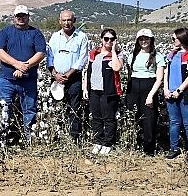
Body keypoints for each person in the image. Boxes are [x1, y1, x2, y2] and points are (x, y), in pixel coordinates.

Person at [0, 5, 46, 143]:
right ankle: (2, 139)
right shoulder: (5, 32)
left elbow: (41, 53)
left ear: (28, 17)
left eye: (23, 16)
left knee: (29, 110)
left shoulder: (36, 33)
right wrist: (16, 64)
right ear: (14, 18)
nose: (21, 18)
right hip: (7, 79)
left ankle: (29, 139)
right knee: (4, 109)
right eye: (18, 16)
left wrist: (25, 67)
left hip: (28, 79)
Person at [46, 10, 89, 142]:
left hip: (74, 78)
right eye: (64, 20)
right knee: (57, 107)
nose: (66, 23)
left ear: (74, 20)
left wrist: (68, 74)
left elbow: (82, 59)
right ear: (60, 21)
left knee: (74, 107)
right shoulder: (54, 37)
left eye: (69, 20)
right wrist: (55, 74)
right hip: (56, 79)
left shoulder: (82, 37)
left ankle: (74, 138)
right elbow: (50, 57)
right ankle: (57, 136)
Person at [163, 27, 188, 162]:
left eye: (174, 38)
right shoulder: (172, 54)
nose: (173, 40)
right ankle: (174, 148)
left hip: (187, 93)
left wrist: (179, 90)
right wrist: (166, 88)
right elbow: (166, 72)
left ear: (182, 38)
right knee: (174, 122)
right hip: (171, 93)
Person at [83, 28, 124, 156]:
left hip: (109, 91)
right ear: (102, 39)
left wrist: (113, 51)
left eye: (112, 39)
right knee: (96, 118)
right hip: (94, 90)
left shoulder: (118, 54)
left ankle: (108, 143)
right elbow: (87, 72)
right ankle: (98, 141)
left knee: (109, 118)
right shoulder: (94, 53)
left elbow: (117, 67)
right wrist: (85, 88)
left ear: (115, 40)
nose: (109, 41)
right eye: (106, 39)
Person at [127, 28, 165, 156]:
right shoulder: (132, 55)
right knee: (133, 117)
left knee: (149, 120)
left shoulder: (158, 56)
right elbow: (129, 72)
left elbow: (159, 79)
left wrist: (150, 95)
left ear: (151, 40)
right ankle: (135, 145)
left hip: (149, 87)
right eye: (141, 39)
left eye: (146, 38)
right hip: (133, 87)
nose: (144, 41)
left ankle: (149, 150)